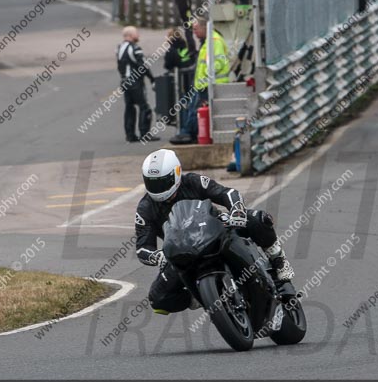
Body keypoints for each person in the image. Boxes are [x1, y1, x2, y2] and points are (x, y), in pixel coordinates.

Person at [135, 149, 294, 314]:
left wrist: (237, 210)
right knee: (158, 299)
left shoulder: (193, 181)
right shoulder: (145, 207)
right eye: (152, 183)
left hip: (215, 229)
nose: (157, 188)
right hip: (183, 252)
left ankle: (279, 260)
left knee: (258, 219)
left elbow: (227, 193)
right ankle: (197, 297)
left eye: (161, 182)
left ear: (176, 173)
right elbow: (142, 247)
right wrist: (156, 256)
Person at [170, 16, 231, 145]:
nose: (194, 32)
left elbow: (219, 62)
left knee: (195, 110)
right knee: (193, 109)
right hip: (202, 84)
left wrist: (207, 76)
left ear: (205, 27)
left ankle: (187, 134)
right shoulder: (208, 41)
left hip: (209, 84)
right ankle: (187, 132)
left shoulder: (214, 41)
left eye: (196, 29)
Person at [117, 26, 158, 143]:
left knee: (129, 108)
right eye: (136, 33)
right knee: (144, 107)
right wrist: (152, 79)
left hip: (124, 81)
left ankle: (130, 135)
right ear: (130, 35)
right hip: (135, 82)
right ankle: (145, 133)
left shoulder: (119, 48)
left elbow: (120, 66)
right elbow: (143, 66)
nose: (138, 36)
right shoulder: (135, 48)